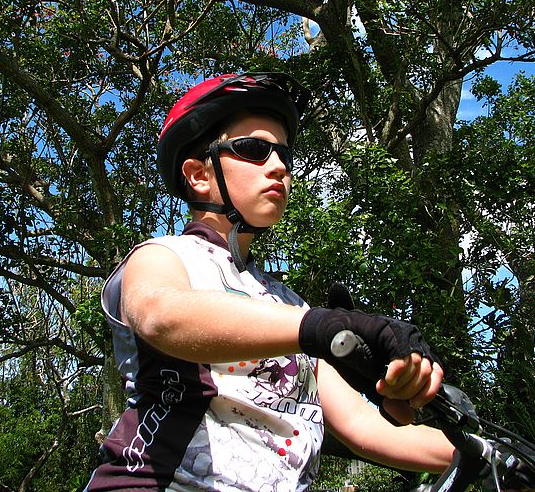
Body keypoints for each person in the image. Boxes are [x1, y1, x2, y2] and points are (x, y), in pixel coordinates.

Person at [85, 73, 456, 491]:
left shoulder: (288, 305)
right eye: (254, 150)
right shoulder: (164, 256)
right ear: (198, 175)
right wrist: (324, 326)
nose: (279, 166)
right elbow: (161, 316)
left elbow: (368, 430)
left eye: (283, 155)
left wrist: (480, 452)